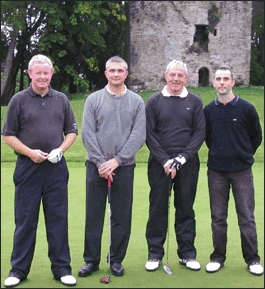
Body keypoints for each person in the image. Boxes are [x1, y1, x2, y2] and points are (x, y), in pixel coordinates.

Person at [1, 54, 78, 287]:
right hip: (28, 168)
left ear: (52, 74)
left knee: (58, 219)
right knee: (25, 221)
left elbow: (72, 131)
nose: (43, 77)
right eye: (38, 73)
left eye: (47, 73)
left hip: (55, 168)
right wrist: (29, 152)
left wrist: (61, 150)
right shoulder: (19, 100)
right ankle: (18, 271)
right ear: (30, 74)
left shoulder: (62, 99)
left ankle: (62, 269)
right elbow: (8, 135)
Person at [78, 55, 146, 277]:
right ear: (106, 73)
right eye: (112, 70)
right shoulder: (93, 99)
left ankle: (116, 259)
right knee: (94, 215)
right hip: (95, 167)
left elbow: (138, 135)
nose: (116, 74)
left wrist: (117, 160)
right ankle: (91, 260)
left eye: (120, 71)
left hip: (124, 167)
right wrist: (101, 162)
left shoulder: (136, 101)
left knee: (121, 216)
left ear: (126, 74)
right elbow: (87, 134)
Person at [144, 60, 206, 272]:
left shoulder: (195, 102)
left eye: (180, 75)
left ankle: (187, 253)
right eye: (172, 75)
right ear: (166, 76)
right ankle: (155, 253)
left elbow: (199, 133)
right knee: (158, 207)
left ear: (186, 78)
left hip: (187, 164)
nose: (176, 79)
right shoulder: (154, 101)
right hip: (159, 164)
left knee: (185, 207)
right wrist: (165, 159)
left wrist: (182, 158)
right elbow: (149, 134)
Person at [204, 66, 264, 276]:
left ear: (232, 82)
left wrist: (243, 154)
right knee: (218, 217)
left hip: (242, 171)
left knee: (246, 216)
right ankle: (218, 257)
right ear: (214, 83)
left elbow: (256, 136)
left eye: (225, 79)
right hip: (217, 171)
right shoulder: (208, 110)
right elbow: (208, 138)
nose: (221, 82)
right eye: (218, 79)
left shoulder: (246, 108)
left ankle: (253, 259)